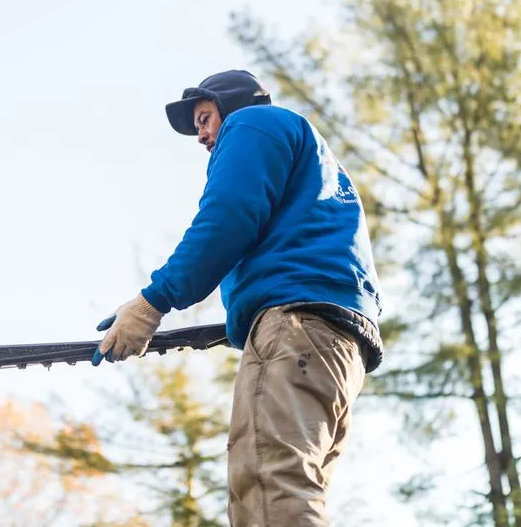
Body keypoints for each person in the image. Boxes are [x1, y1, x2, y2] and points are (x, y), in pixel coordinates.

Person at [92, 69, 385, 526]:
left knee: (268, 489)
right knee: (287, 494)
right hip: (336, 344)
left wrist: (152, 303)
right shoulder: (311, 157)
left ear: (231, 105)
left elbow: (226, 219)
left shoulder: (253, 124)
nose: (201, 135)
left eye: (204, 118)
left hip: (296, 328)